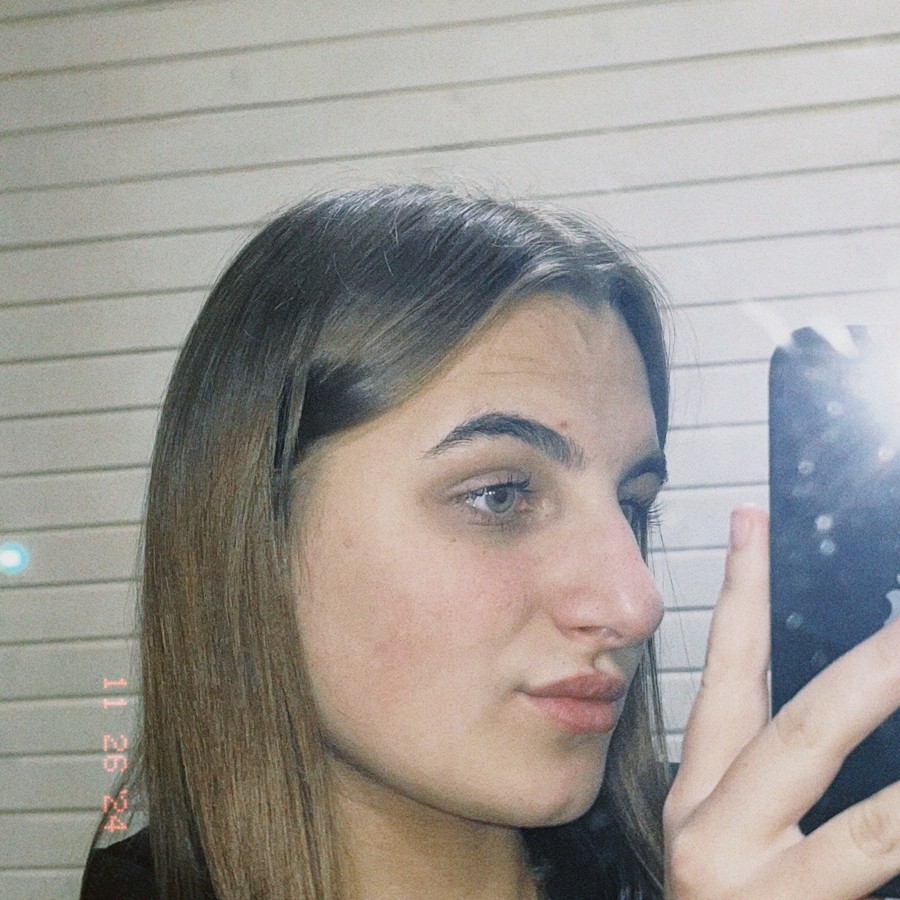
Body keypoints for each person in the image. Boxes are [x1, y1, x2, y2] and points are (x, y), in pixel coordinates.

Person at [80, 185, 900, 900]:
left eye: (631, 505)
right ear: (254, 533)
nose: (635, 603)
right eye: (499, 496)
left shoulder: (752, 865)